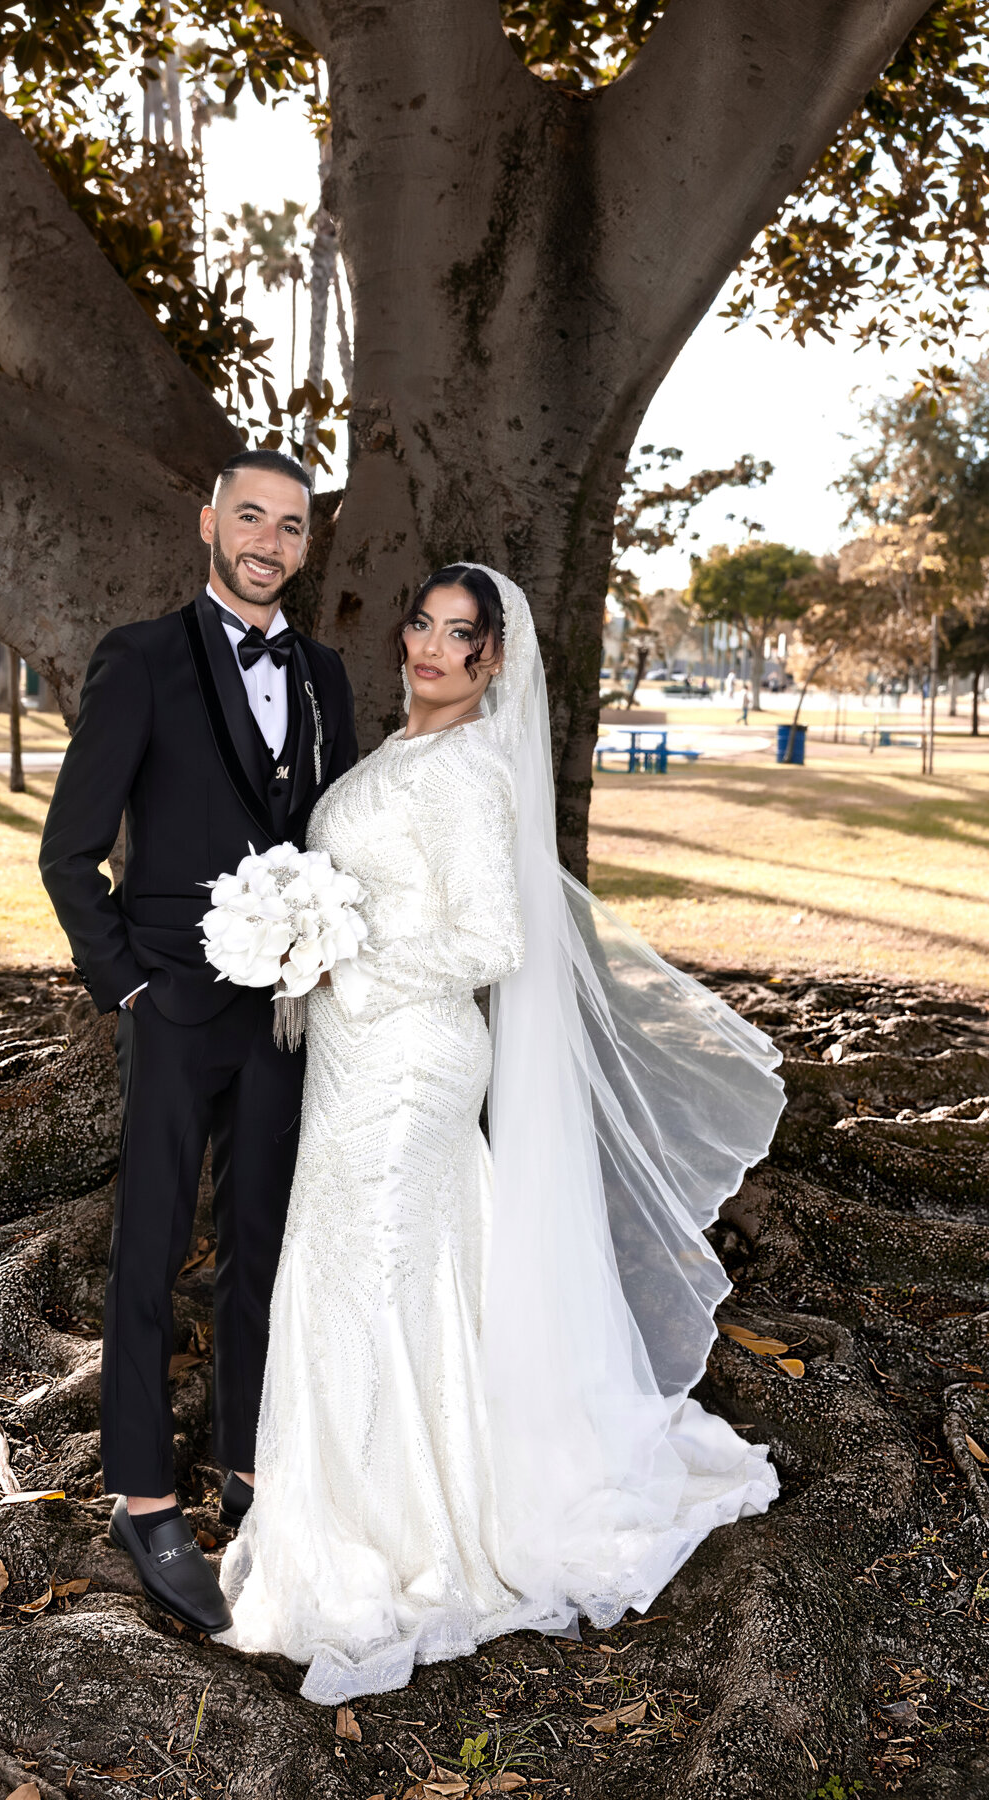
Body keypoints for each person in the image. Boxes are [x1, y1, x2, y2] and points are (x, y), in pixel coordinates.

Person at [216, 564, 785, 1701]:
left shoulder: (471, 772)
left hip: (414, 1056)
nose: (429, 645)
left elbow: (489, 943)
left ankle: (410, 1540)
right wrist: (292, 942)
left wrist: (347, 960)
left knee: (369, 1275)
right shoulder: (392, 760)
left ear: (490, 662)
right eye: (419, 623)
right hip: (349, 1056)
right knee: (346, 1269)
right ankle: (339, 1516)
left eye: (457, 634)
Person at [39, 450, 358, 1634]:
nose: (270, 540)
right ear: (209, 522)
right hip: (170, 1006)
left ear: (306, 547)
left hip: (284, 1014)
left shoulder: (323, 673)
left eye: (292, 526)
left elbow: (328, 830)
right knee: (151, 1248)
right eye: (252, 517)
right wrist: (125, 987)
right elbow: (71, 853)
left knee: (262, 1247)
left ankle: (249, 1467)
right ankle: (143, 1494)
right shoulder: (140, 658)